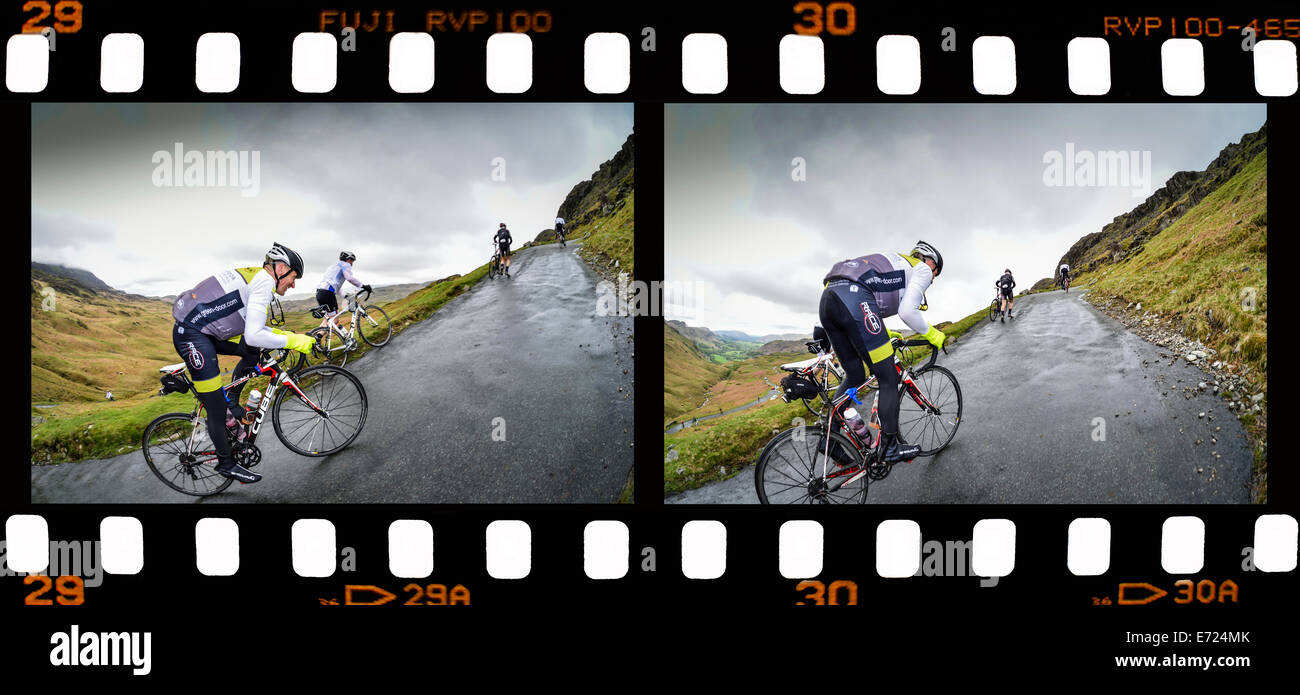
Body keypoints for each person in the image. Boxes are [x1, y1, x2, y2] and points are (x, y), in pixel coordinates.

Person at [171, 242, 316, 484]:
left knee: (251, 353)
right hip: (193, 336)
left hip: (206, 332)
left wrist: (285, 337)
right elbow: (254, 334)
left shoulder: (258, 278)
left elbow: (255, 331)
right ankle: (226, 464)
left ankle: (233, 400)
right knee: (215, 408)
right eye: (293, 277)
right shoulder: (263, 282)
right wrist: (293, 340)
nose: (293, 284)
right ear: (280, 268)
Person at [819, 240, 945, 463]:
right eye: (936, 274)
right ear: (930, 262)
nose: (933, 280)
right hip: (853, 297)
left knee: (856, 375)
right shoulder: (922, 269)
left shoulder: (898, 265)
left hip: (830, 299)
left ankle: (829, 439)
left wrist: (885, 333)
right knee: (889, 377)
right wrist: (932, 334)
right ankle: (888, 447)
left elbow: (871, 305)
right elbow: (907, 312)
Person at [316, 251, 371, 328]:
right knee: (335, 320)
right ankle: (318, 336)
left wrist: (346, 296)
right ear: (348, 259)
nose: (351, 264)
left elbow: (335, 287)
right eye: (352, 261)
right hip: (328, 293)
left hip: (320, 292)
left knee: (328, 319)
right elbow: (349, 277)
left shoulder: (334, 266)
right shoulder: (345, 264)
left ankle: (316, 337)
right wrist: (363, 286)